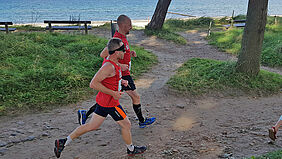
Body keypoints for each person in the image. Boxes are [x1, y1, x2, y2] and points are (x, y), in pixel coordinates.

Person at [54, 38, 147, 158]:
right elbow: (93, 84)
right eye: (123, 49)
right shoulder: (109, 66)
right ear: (117, 52)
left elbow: (109, 79)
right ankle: (131, 149)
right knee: (126, 125)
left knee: (92, 126)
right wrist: (113, 93)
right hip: (110, 104)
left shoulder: (113, 63)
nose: (125, 51)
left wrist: (121, 81)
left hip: (103, 102)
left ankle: (63, 142)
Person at [78, 15, 156, 128]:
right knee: (135, 96)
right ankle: (142, 121)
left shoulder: (123, 37)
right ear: (123, 25)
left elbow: (121, 52)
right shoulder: (117, 39)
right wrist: (119, 65)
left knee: (108, 99)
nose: (131, 27)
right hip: (120, 74)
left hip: (122, 74)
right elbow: (104, 55)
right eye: (129, 25)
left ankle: (85, 113)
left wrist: (130, 53)